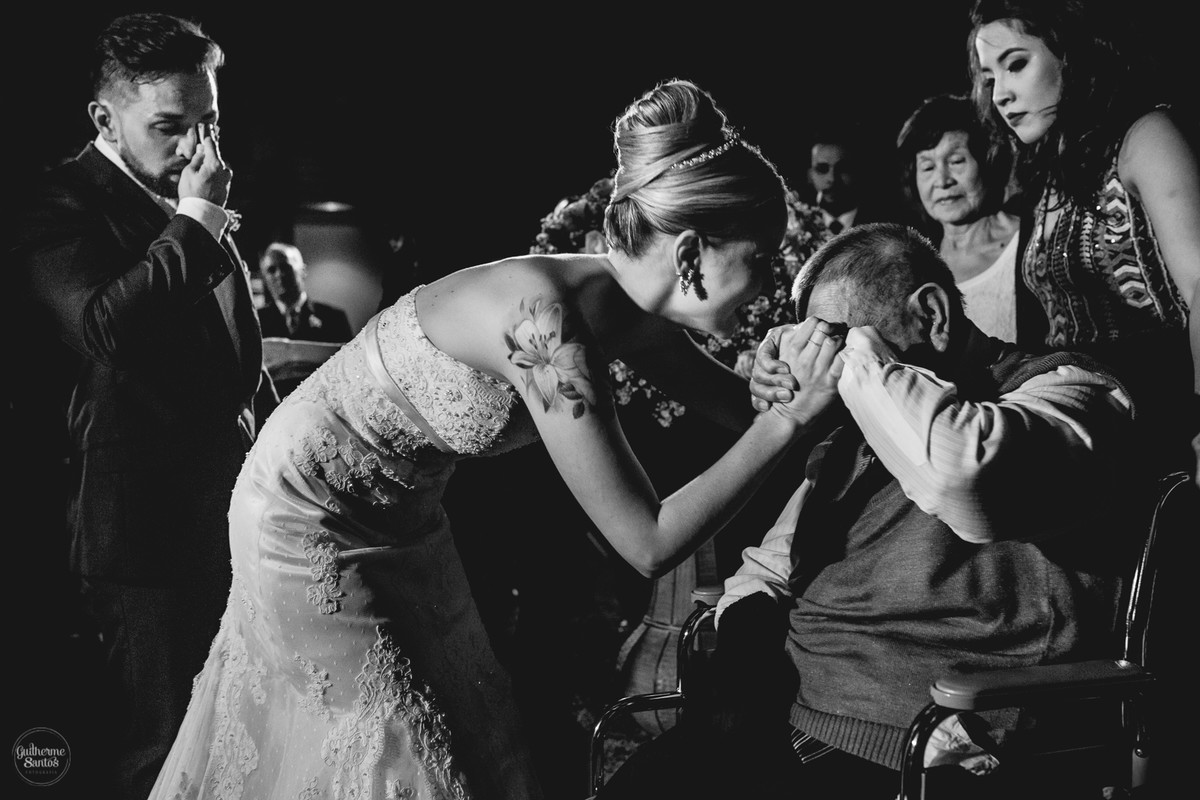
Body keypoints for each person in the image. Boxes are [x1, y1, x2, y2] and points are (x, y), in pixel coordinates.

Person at [146, 78, 833, 800]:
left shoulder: (628, 305)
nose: (771, 288)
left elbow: (741, 406)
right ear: (691, 252)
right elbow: (648, 540)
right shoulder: (546, 324)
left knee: (470, 727)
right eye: (763, 260)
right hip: (305, 514)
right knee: (396, 746)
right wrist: (788, 421)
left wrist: (782, 384)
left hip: (402, 519)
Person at [597, 222, 1138, 800]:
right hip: (788, 719)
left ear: (931, 315)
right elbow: (769, 567)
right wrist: (747, 661)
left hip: (913, 746)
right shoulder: (855, 435)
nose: (827, 367)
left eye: (838, 341)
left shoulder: (1070, 390)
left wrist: (858, 357)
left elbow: (964, 476)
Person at [9, 13, 276, 800]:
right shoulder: (58, 205)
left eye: (210, 124)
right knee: (153, 752)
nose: (200, 150)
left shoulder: (180, 204)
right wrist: (197, 221)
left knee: (224, 742)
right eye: (170, 127)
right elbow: (105, 329)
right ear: (105, 118)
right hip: (138, 535)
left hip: (221, 517)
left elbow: (228, 366)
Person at [969, 0, 1200, 475]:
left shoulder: (1145, 137)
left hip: (1155, 412)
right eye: (991, 78)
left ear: (1072, 56)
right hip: (1074, 419)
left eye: (1016, 64)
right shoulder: (1045, 176)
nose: (1001, 96)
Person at [896, 92, 1038, 345]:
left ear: (987, 162)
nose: (942, 181)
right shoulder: (914, 265)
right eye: (927, 167)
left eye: (956, 161)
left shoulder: (1033, 242)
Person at [257, 241, 354, 343]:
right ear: (264, 278)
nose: (279, 275)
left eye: (285, 267)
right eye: (271, 270)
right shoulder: (257, 323)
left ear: (303, 271)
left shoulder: (334, 319)